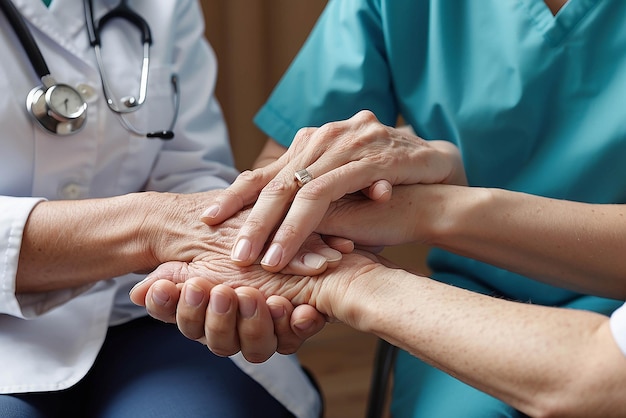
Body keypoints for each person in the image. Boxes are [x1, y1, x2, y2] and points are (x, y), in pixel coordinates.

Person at [131, 0, 626, 416]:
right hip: (470, 297)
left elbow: (587, 378)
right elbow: (292, 169)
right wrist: (285, 237)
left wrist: (423, 213)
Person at [0, 1, 329, 417]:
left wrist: (230, 265)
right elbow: (168, 221)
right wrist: (149, 228)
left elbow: (190, 170)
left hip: (149, 305)